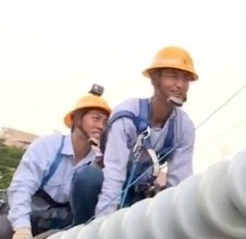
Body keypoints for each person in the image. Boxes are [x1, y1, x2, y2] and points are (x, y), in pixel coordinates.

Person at [72, 46, 198, 221]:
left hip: (139, 193)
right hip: (103, 187)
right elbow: (114, 172)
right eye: (172, 76)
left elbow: (178, 183)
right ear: (155, 79)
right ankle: (82, 229)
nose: (180, 85)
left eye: (186, 79)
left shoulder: (183, 127)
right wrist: (103, 223)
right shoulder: (127, 115)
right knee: (87, 178)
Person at [0, 86, 111, 239]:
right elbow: (21, 188)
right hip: (21, 215)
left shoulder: (98, 160)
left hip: (56, 224)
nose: (101, 126)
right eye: (95, 119)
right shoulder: (47, 146)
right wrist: (22, 229)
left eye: (105, 122)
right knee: (1, 232)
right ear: (76, 119)